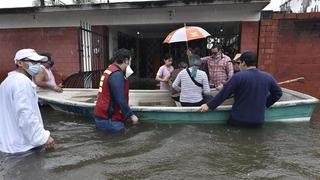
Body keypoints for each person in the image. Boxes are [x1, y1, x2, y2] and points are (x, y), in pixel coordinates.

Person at [199, 51, 283, 126]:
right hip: (258, 120)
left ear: (243, 63)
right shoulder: (267, 77)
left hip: (238, 119)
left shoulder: (238, 77)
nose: (238, 65)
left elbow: (224, 94)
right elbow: (278, 93)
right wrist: (265, 104)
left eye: (239, 63)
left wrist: (208, 105)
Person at [0, 48, 55, 154]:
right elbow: (26, 114)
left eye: (38, 62)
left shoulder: (6, 83)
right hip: (23, 148)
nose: (37, 65)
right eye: (33, 62)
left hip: (7, 146)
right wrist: (43, 137)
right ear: (20, 63)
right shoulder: (22, 83)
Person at [94, 48, 139, 133]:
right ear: (126, 60)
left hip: (102, 115)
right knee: (119, 140)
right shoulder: (116, 74)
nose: (129, 64)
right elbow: (120, 99)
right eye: (129, 61)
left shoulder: (109, 70)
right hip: (110, 119)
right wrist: (131, 115)